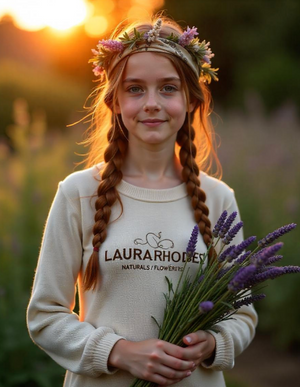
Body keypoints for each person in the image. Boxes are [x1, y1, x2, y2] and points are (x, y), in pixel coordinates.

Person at [27, 15, 257, 387]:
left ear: (190, 100)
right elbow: (45, 316)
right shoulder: (79, 193)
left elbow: (243, 312)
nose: (152, 103)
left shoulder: (218, 198)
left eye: (168, 88)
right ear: (115, 101)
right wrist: (119, 352)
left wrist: (213, 343)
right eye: (135, 89)